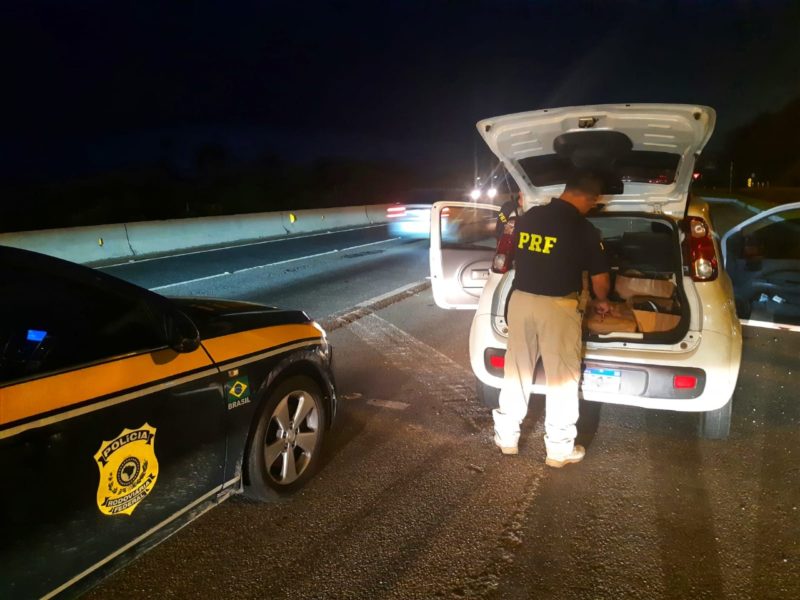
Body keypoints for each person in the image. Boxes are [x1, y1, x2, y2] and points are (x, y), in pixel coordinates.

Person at [493, 170, 611, 468]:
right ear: (588, 197)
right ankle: (558, 449)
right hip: (557, 307)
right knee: (561, 377)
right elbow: (600, 281)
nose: (592, 207)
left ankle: (507, 437)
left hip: (520, 302)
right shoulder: (583, 228)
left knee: (516, 371)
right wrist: (603, 301)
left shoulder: (530, 216)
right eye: (594, 202)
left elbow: (517, 251)